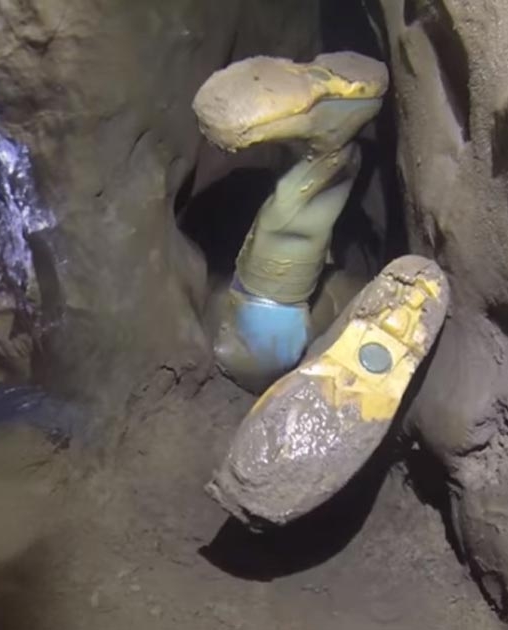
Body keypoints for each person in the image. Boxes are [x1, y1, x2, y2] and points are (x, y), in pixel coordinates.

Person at [192, 52, 451, 528]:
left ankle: (328, 150)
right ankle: (331, 149)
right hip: (280, 309)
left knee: (257, 340)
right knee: (269, 335)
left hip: (258, 311)